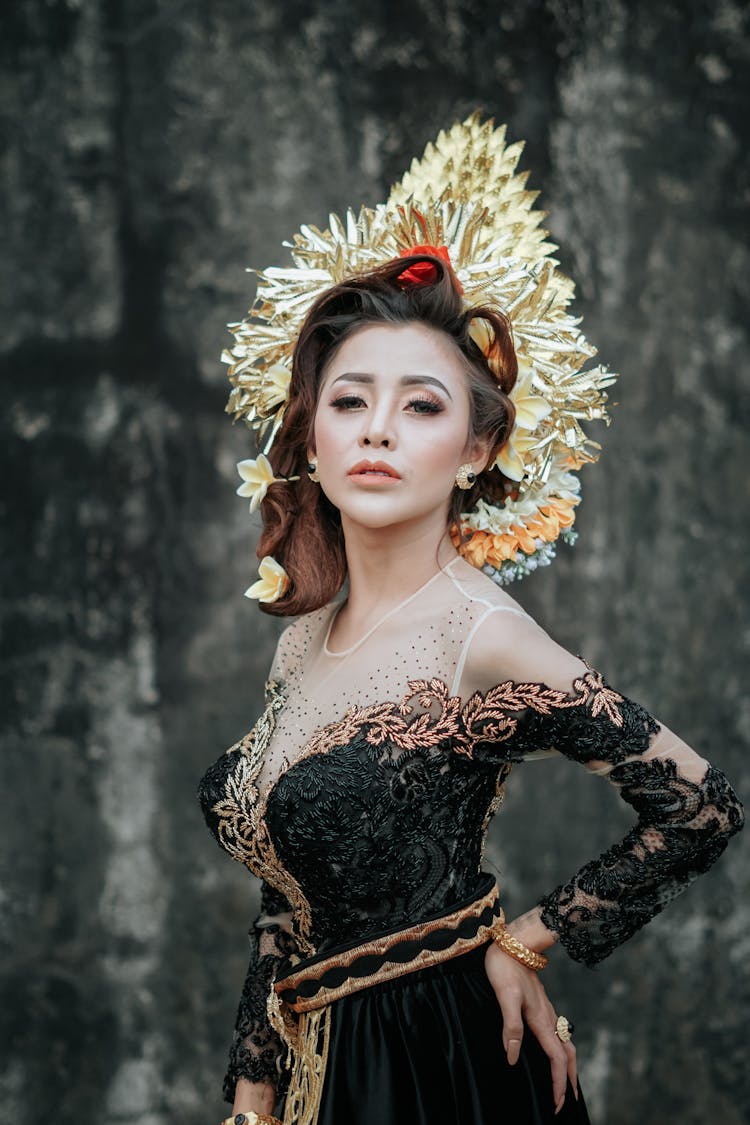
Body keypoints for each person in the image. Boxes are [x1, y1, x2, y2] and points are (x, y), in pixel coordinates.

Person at [197, 119, 744, 1125]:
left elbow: (700, 806)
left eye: (421, 407)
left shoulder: (483, 637)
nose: (376, 430)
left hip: (433, 1068)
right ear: (311, 438)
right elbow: (289, 895)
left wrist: (529, 938)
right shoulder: (304, 635)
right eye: (350, 400)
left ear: (479, 447)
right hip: (317, 1064)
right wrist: (255, 1080)